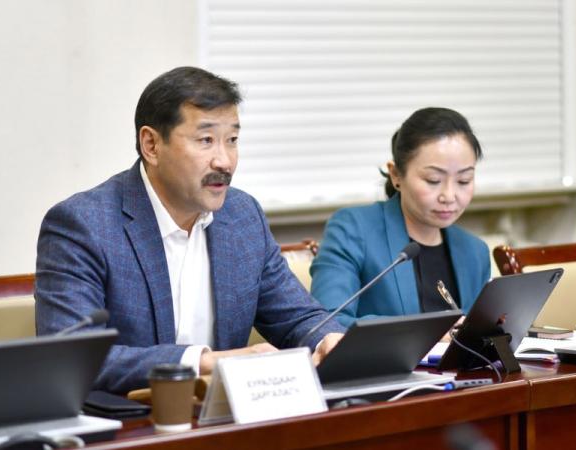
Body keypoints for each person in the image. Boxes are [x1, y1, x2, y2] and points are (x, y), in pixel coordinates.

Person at [35, 67, 344, 394]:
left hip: (225, 416)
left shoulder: (242, 216)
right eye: (206, 140)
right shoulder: (83, 225)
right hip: (128, 417)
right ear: (151, 145)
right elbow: (72, 358)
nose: (224, 161)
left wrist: (327, 339)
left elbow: (295, 316)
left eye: (232, 140)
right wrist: (206, 362)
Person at [310, 107, 490, 328]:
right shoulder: (353, 229)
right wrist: (428, 331)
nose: (449, 196)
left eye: (464, 180)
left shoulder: (475, 251)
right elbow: (327, 321)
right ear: (396, 175)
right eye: (433, 180)